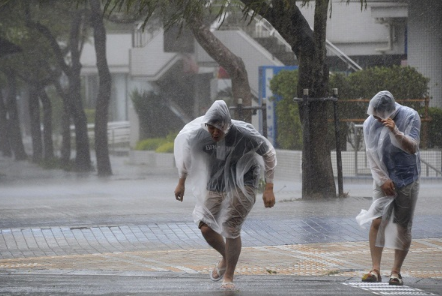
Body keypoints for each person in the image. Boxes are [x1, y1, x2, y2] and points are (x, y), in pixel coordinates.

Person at [173, 100, 277, 290]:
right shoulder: (199, 135)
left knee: (230, 227)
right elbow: (186, 154)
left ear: (227, 125)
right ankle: (226, 256)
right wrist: (181, 182)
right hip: (215, 183)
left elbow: (268, 153)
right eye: (211, 127)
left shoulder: (244, 135)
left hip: (244, 182)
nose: (214, 133)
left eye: (219, 129)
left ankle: (228, 276)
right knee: (205, 226)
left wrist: (269, 187)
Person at [357, 90, 421, 286]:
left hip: (407, 178)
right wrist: (382, 179)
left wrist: (395, 131)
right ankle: (375, 269)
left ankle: (396, 271)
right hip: (382, 179)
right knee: (377, 221)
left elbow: (413, 147)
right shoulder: (369, 123)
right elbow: (371, 153)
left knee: (402, 226)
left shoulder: (410, 116)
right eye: (373, 113)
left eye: (378, 114)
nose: (374, 117)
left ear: (388, 111)